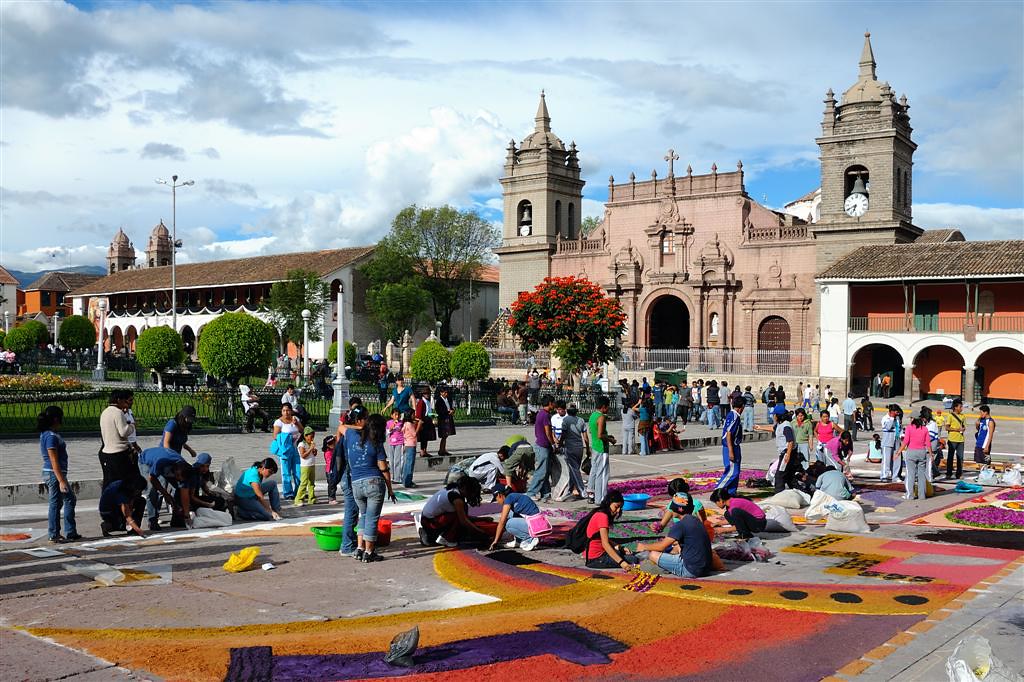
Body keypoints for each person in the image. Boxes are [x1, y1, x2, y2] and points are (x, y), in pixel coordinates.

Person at [343, 412, 396, 562]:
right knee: (372, 519)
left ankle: (359, 549)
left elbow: (342, 426)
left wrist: (362, 427)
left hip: (356, 484)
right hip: (374, 484)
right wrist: (390, 490)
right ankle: (369, 552)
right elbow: (384, 469)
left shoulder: (352, 436)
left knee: (364, 516)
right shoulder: (376, 443)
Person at [637, 492, 712, 579]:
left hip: (690, 570)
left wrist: (643, 546)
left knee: (653, 554)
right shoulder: (696, 520)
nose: (671, 511)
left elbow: (661, 547)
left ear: (678, 509)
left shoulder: (681, 525)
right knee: (675, 548)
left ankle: (665, 569)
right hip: (706, 569)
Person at [38, 406, 80, 543]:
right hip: (54, 473)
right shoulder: (50, 437)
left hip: (55, 473)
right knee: (57, 502)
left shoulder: (49, 434)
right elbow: (53, 460)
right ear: (56, 419)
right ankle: (55, 533)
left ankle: (69, 531)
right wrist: (61, 480)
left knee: (67, 500)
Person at [419, 476, 489, 548]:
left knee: (461, 517)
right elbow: (463, 521)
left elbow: (464, 517)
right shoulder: (456, 499)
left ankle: (430, 535)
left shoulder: (455, 490)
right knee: (460, 523)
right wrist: (481, 533)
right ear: (465, 488)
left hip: (428, 520)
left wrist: (482, 519)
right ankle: (446, 539)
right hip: (430, 523)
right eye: (472, 492)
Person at [581, 491, 640, 570]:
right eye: (616, 507)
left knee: (628, 554)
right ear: (609, 503)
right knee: (634, 559)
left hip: (595, 555)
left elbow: (604, 539)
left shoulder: (600, 513)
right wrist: (622, 563)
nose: (618, 510)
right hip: (596, 559)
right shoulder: (603, 517)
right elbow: (605, 544)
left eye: (620, 508)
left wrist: (620, 548)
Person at [137, 446, 192, 531]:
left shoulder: (184, 469)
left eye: (180, 478)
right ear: (175, 469)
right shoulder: (162, 461)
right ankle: (152, 520)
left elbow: (184, 495)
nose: (177, 479)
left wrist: (186, 514)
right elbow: (152, 479)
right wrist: (166, 494)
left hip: (167, 467)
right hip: (146, 461)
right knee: (153, 491)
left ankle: (177, 518)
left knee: (177, 489)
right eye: (177, 476)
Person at [755, 406, 800, 492]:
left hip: (787, 453)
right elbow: (773, 428)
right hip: (785, 453)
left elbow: (790, 441)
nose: (773, 417)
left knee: (780, 475)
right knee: (789, 476)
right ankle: (799, 491)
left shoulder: (786, 426)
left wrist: (788, 455)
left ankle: (779, 493)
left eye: (774, 415)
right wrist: (760, 427)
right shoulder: (780, 424)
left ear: (778, 416)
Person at [99, 389, 137, 489]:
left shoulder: (105, 412)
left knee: (109, 481)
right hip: (119, 453)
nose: (126, 403)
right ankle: (122, 503)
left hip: (106, 451)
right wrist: (132, 425)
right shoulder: (117, 412)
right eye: (124, 400)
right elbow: (124, 432)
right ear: (119, 400)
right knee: (122, 482)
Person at [487, 485, 543, 551]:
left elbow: (502, 522)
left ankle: (530, 538)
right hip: (537, 525)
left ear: (499, 495)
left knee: (508, 524)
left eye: (496, 499)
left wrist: (495, 541)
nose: (498, 502)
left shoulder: (508, 499)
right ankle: (519, 541)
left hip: (535, 526)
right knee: (510, 515)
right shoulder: (513, 497)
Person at [557, 404, 588, 501]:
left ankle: (582, 490)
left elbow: (564, 434)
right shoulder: (581, 420)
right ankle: (569, 490)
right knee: (573, 470)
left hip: (570, 448)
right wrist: (587, 448)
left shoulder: (565, 421)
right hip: (579, 448)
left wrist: (560, 444)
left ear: (567, 411)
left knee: (574, 470)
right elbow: (585, 437)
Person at [897, 414, 932, 500]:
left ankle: (910, 495)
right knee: (922, 475)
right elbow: (928, 443)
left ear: (913, 419)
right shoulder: (924, 429)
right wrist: (931, 454)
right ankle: (922, 495)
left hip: (911, 452)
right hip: (922, 452)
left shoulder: (909, 428)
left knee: (910, 474)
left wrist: (898, 452)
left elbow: (906, 441)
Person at [715, 397, 745, 495]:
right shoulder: (734, 416)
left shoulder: (732, 415)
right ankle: (718, 490)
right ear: (742, 407)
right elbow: (729, 434)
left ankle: (731, 493)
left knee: (736, 472)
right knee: (732, 472)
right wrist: (731, 451)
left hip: (734, 446)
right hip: (730, 446)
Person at [528, 394, 556, 502]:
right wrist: (553, 443)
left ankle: (545, 492)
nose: (554, 405)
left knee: (545, 470)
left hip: (543, 445)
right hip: (543, 445)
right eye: (553, 403)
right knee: (541, 471)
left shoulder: (541, 413)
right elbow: (548, 432)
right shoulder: (545, 415)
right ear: (550, 403)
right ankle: (531, 492)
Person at [588, 396, 615, 504]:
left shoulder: (593, 415)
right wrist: (610, 439)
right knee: (603, 474)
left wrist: (607, 436)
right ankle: (601, 498)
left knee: (595, 471)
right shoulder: (601, 417)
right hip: (601, 448)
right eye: (607, 407)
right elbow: (600, 435)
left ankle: (593, 493)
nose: (608, 409)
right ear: (603, 407)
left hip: (595, 446)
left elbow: (592, 431)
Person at [294, 426, 318, 506]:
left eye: (313, 436)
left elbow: (313, 454)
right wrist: (311, 449)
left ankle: (312, 498)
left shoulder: (309, 443)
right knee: (304, 483)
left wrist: (314, 451)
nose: (312, 438)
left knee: (311, 483)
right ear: (305, 436)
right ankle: (298, 499)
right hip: (305, 466)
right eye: (311, 436)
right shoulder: (302, 444)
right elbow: (303, 455)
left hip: (312, 465)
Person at [944, 398, 966, 479]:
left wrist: (963, 429)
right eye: (960, 407)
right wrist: (956, 429)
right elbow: (947, 427)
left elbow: (964, 426)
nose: (961, 408)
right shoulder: (950, 416)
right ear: (955, 407)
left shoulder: (963, 416)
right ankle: (949, 473)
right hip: (952, 439)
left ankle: (959, 474)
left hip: (961, 439)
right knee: (950, 457)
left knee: (960, 457)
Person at [879, 405, 900, 482]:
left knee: (897, 459)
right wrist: (891, 418)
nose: (897, 413)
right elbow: (887, 427)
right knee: (886, 460)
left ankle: (895, 476)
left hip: (896, 440)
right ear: (892, 412)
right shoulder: (885, 418)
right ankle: (884, 475)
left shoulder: (897, 419)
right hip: (887, 441)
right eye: (896, 412)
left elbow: (898, 429)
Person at [414, 386, 436, 458]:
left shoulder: (427, 401)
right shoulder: (421, 402)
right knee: (423, 437)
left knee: (426, 437)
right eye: (426, 393)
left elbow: (429, 411)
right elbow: (419, 414)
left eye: (428, 393)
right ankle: (422, 451)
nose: (427, 395)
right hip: (423, 421)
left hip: (427, 420)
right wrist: (420, 423)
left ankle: (425, 450)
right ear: (423, 394)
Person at [435, 385, 456, 457]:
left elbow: (451, 407)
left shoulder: (448, 399)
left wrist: (452, 410)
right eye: (444, 392)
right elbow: (439, 411)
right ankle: (441, 450)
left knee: (446, 435)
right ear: (441, 393)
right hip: (443, 419)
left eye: (447, 392)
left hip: (448, 418)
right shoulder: (439, 401)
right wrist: (447, 412)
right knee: (444, 435)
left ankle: (443, 449)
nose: (446, 394)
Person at [400, 410, 418, 488]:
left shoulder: (406, 423)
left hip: (407, 444)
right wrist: (419, 425)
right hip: (411, 445)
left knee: (407, 463)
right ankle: (408, 482)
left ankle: (405, 480)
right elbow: (414, 434)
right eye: (413, 414)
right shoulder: (409, 424)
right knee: (410, 464)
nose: (414, 416)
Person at [385, 408, 404, 480]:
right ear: (391, 415)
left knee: (397, 460)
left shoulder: (401, 423)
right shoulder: (389, 423)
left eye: (398, 415)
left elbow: (403, 432)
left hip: (399, 443)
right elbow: (386, 433)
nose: (397, 416)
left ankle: (397, 477)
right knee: (391, 460)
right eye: (395, 414)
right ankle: (392, 475)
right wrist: (391, 428)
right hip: (391, 443)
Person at [620, 380, 638, 455]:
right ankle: (630, 451)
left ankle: (624, 451)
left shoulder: (622, 411)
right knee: (630, 439)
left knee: (624, 439)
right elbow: (635, 417)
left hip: (624, 426)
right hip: (631, 427)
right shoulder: (631, 411)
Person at [323, 435, 342, 504]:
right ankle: (331, 498)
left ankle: (332, 497)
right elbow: (330, 462)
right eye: (332, 443)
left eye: (334, 442)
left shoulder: (332, 450)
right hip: (329, 471)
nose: (334, 444)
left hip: (332, 470)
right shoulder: (328, 452)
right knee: (331, 485)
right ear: (328, 445)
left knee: (333, 485)